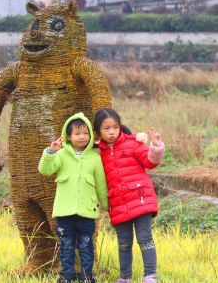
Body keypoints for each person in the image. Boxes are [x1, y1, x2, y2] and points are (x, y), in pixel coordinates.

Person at [94, 108, 165, 283]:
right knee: (124, 243)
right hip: (117, 204)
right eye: (107, 128)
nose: (112, 132)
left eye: (115, 127)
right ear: (98, 131)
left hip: (140, 200)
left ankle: (150, 275)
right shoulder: (98, 153)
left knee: (145, 239)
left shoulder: (133, 143)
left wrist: (156, 146)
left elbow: (150, 162)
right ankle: (125, 278)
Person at [38, 112, 108, 283]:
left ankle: (86, 276)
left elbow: (100, 184)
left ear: (90, 135)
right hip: (65, 212)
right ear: (68, 136)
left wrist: (107, 206)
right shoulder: (61, 155)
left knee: (86, 245)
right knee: (67, 246)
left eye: (85, 133)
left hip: (87, 212)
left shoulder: (94, 158)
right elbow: (45, 170)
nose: (82, 137)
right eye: (77, 133)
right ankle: (66, 276)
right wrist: (51, 152)